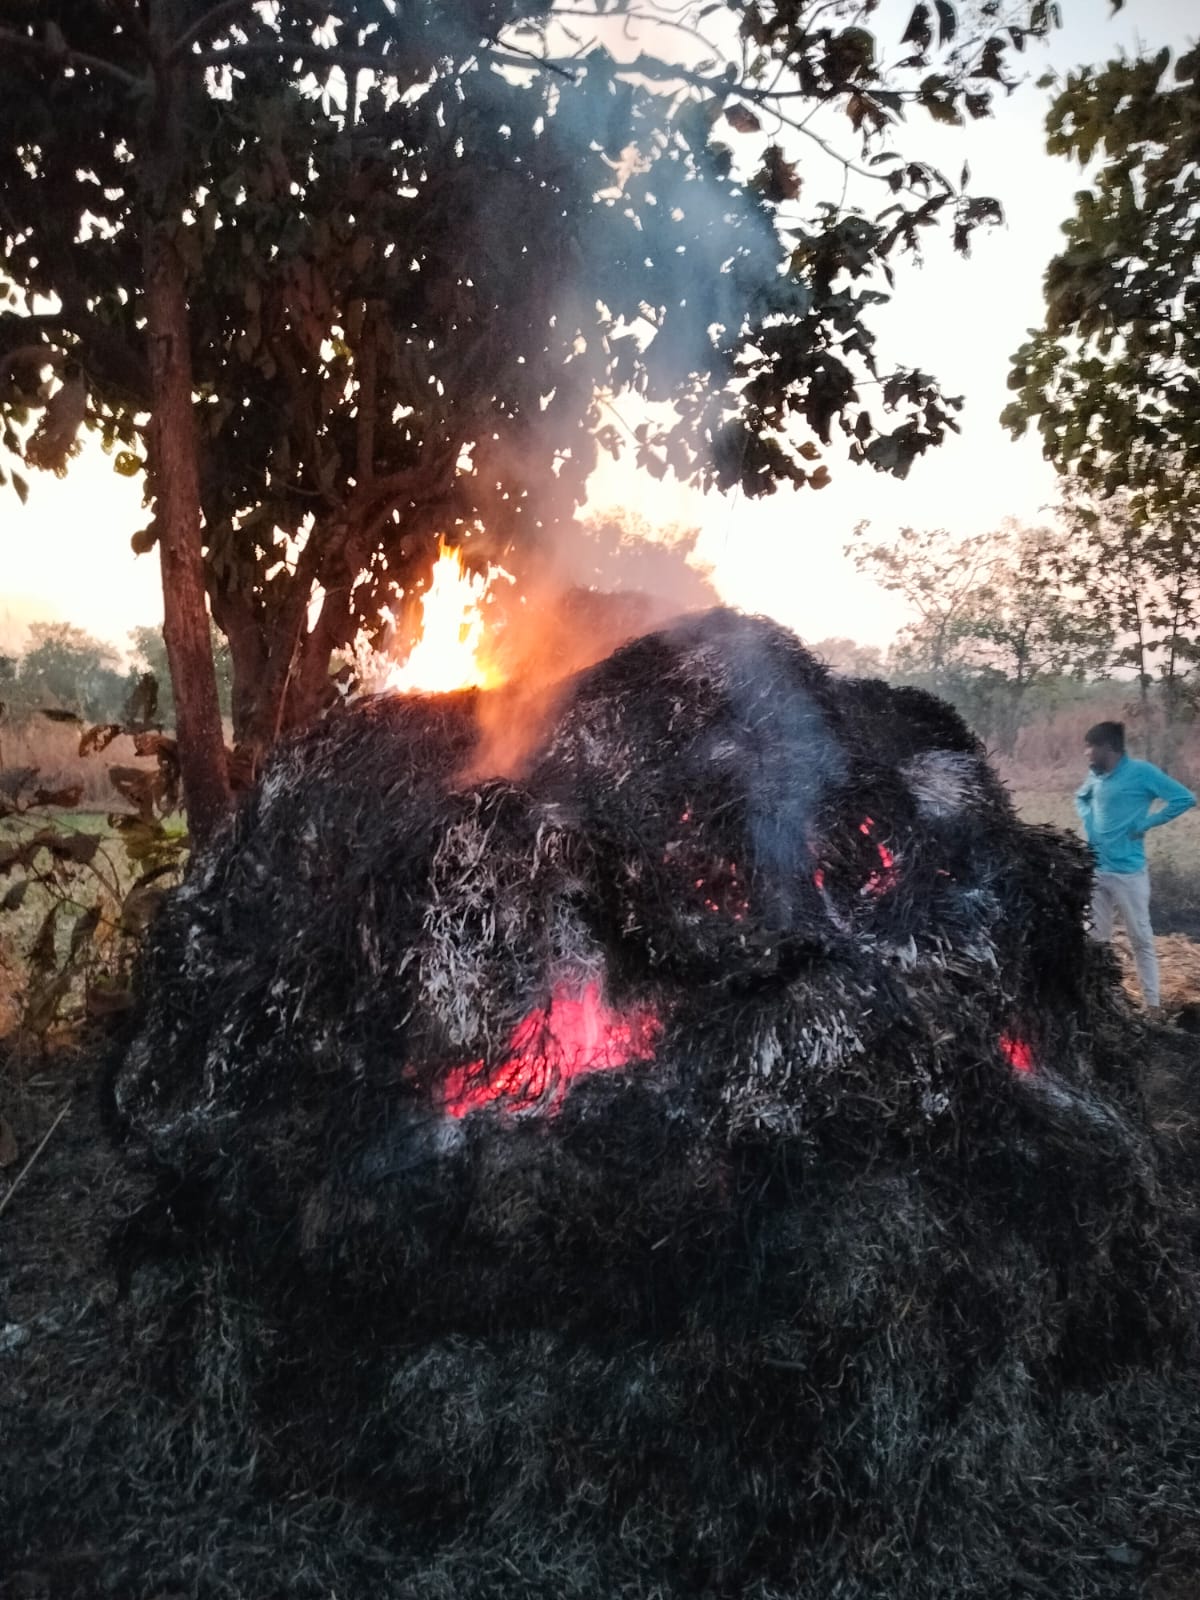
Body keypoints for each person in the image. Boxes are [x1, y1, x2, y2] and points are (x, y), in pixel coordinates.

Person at [1075, 721, 1196, 1012]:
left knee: (1140, 939)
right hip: (1096, 869)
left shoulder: (1142, 773)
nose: (1086, 754)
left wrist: (1145, 824)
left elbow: (1184, 798)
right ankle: (1099, 1002)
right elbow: (1081, 797)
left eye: (1090, 748)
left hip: (1128, 873)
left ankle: (1152, 1006)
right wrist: (1089, 824)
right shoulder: (1096, 776)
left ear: (1108, 748)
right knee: (1096, 941)